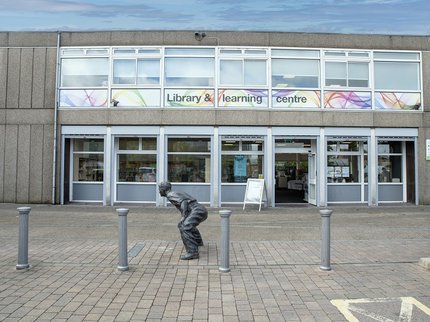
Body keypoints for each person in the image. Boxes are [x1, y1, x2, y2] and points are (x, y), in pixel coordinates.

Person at [158, 181, 208, 260]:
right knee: (184, 225)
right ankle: (198, 242)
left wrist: (184, 216)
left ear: (163, 189)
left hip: (197, 209)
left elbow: (184, 202)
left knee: (185, 226)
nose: (159, 191)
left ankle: (193, 252)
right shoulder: (175, 193)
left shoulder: (170, 195)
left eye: (159, 189)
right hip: (199, 209)